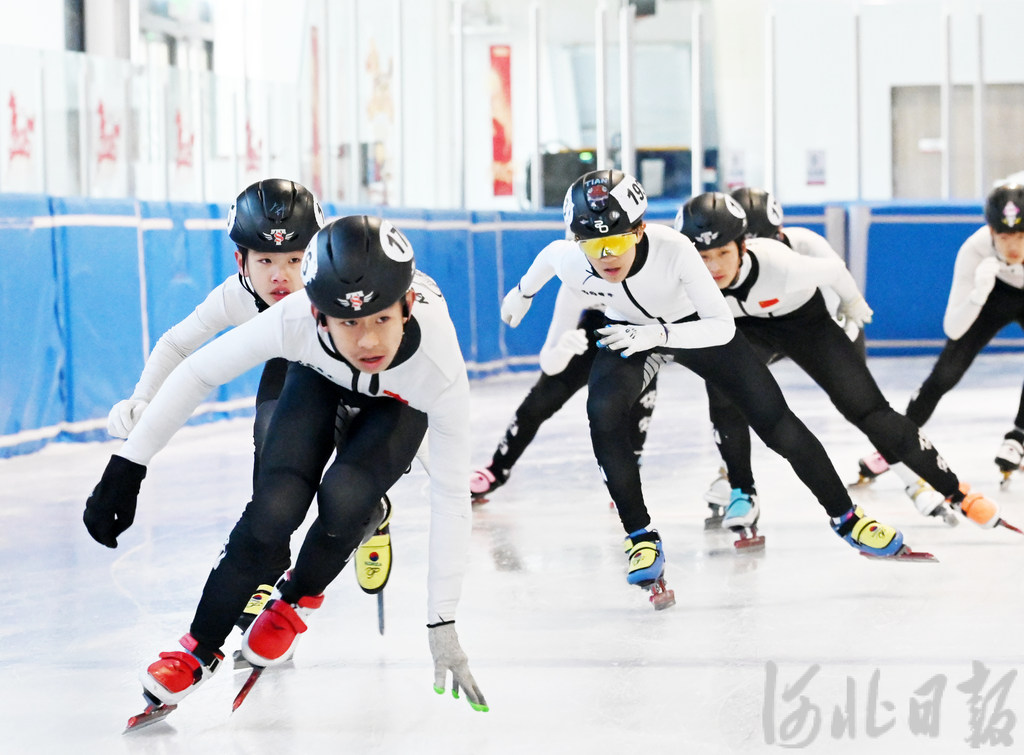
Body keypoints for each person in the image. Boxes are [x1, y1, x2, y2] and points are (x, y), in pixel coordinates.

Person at [83, 215, 487, 714]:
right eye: (348, 322)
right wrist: (127, 466)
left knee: (346, 497)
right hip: (319, 375)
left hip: (398, 404)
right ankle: (198, 647)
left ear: (406, 307)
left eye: (381, 319)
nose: (367, 342)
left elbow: (450, 497)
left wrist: (442, 622)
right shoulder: (291, 318)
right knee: (274, 508)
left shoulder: (438, 365)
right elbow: (197, 372)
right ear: (317, 314)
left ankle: (295, 599)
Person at [500, 169, 914, 603]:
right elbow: (550, 257)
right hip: (630, 333)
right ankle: (640, 536)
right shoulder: (572, 258)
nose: (605, 257)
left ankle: (847, 518)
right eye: (592, 245)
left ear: (639, 230)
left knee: (775, 422)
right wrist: (521, 293)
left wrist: (657, 335)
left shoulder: (675, 250)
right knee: (602, 413)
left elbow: (720, 325)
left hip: (693, 329)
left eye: (616, 242)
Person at [677, 191, 1000, 537]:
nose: (715, 267)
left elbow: (834, 272)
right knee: (724, 391)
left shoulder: (785, 261)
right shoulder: (686, 277)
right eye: (704, 256)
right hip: (747, 331)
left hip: (807, 324)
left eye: (724, 252)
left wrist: (853, 304)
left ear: (745, 246)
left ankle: (941, 486)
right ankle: (740, 487)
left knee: (866, 409)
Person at [855, 183, 1024, 490]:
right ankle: (897, 442)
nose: (1013, 247)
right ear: (991, 231)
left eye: (1021, 237)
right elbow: (954, 329)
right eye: (1004, 237)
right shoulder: (974, 251)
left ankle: (1018, 437)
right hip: (990, 295)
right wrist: (979, 294)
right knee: (946, 374)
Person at [470, 282, 658, 501]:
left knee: (637, 403)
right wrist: (562, 350)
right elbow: (550, 364)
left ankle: (627, 479)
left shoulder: (659, 269)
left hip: (641, 333)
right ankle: (498, 467)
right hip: (594, 331)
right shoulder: (576, 276)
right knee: (542, 399)